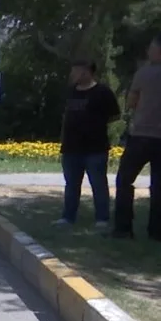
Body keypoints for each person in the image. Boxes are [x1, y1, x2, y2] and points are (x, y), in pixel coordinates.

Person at [113, 32, 161, 241]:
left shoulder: (144, 73)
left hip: (142, 135)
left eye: (152, 48)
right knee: (160, 186)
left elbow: (131, 102)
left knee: (125, 180)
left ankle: (123, 228)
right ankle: (156, 232)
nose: (149, 51)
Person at [54, 59, 120, 229]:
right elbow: (65, 116)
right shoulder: (70, 92)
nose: (72, 75)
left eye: (75, 71)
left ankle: (102, 219)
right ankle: (68, 217)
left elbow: (115, 115)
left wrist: (94, 125)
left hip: (95, 148)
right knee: (71, 185)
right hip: (71, 147)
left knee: (98, 184)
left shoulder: (102, 92)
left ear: (85, 72)